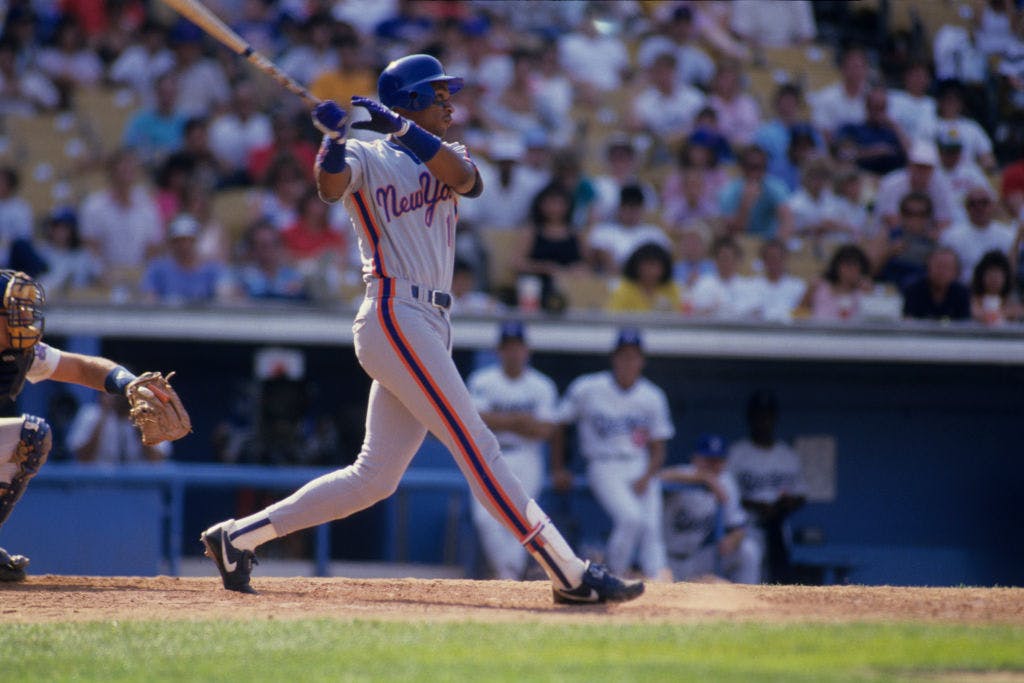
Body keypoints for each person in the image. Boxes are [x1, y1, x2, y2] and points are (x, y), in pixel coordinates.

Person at [198, 54, 643, 604]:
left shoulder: (445, 152)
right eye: (437, 95)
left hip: (431, 319)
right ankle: (568, 573)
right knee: (478, 446)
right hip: (394, 312)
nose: (449, 103)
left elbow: (467, 182)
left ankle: (237, 537)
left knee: (374, 479)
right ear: (409, 99)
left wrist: (404, 128)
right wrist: (333, 142)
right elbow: (330, 188)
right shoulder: (365, 153)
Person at [0, 269, 189, 582]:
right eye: (13, 311)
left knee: (32, 436)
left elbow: (82, 368)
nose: (25, 318)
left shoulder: (19, 353)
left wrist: (129, 385)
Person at [553, 328, 674, 583]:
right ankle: (615, 576)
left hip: (640, 463)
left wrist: (648, 475)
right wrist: (558, 467)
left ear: (642, 360)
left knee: (651, 526)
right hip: (603, 463)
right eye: (623, 355)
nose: (628, 362)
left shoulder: (652, 396)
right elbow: (559, 424)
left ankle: (659, 581)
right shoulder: (588, 388)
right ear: (613, 358)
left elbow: (659, 446)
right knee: (630, 518)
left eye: (633, 356)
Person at [466, 321, 558, 580]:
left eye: (518, 347)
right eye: (508, 347)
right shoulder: (483, 380)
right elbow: (477, 421)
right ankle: (510, 573)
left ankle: (509, 575)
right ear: (499, 351)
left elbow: (545, 430)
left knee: (521, 517)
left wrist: (501, 421)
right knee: (485, 519)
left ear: (526, 351)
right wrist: (521, 421)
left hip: (526, 455)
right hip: (489, 454)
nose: (513, 353)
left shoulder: (542, 385)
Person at [726, 389, 808, 584]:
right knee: (750, 578)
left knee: (779, 580)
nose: (764, 420)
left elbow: (801, 494)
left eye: (768, 415)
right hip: (748, 527)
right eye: (759, 415)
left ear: (775, 417)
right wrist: (757, 506)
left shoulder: (787, 455)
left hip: (778, 528)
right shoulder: (737, 453)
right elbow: (728, 493)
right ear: (750, 418)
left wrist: (784, 505)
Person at [660, 433, 761, 584]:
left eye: (718, 461)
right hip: (665, 558)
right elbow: (658, 477)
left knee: (749, 550)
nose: (713, 465)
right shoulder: (683, 473)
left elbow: (739, 526)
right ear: (695, 459)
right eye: (708, 460)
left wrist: (733, 539)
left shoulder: (726, 482)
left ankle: (747, 602)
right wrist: (706, 479)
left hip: (697, 558)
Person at [67, 393, 171, 464]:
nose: (121, 398)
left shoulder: (149, 416)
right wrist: (104, 414)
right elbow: (83, 458)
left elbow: (157, 459)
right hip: (99, 487)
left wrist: (139, 421)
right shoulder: (90, 414)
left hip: (140, 488)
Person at [606, 242, 682, 314]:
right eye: (645, 265)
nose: (649, 270)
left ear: (664, 268)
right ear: (636, 266)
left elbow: (680, 317)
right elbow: (613, 317)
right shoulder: (624, 289)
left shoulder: (672, 289)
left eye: (654, 265)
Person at [806, 243, 873, 322]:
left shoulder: (864, 292)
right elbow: (799, 313)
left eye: (855, 267)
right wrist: (810, 291)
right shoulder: (818, 286)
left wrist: (869, 295)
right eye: (848, 265)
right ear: (837, 266)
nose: (851, 271)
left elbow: (872, 320)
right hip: (819, 332)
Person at [901, 246, 971, 321]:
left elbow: (965, 322)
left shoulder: (962, 293)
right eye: (938, 266)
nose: (941, 272)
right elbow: (908, 320)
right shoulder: (913, 290)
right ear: (928, 267)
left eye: (946, 267)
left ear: (956, 272)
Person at [969, 250, 1022, 325]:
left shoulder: (1012, 301)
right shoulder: (972, 300)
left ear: (1005, 277)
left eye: (997, 275)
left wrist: (1004, 313)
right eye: (990, 274)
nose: (994, 279)